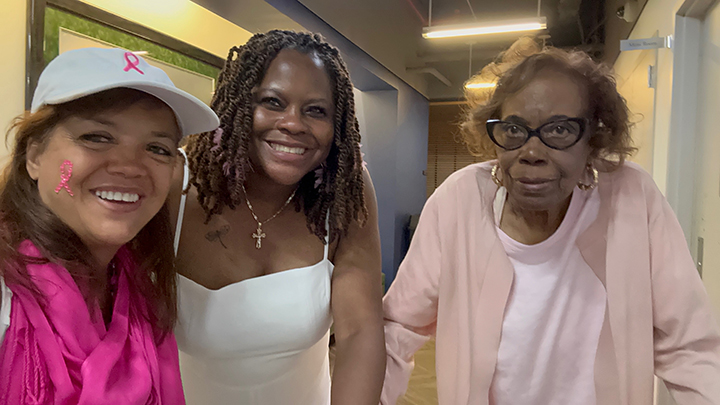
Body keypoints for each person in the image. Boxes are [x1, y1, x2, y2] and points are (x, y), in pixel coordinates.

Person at [381, 38, 720, 405]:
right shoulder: (460, 201)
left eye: (559, 130)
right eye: (514, 130)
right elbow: (399, 327)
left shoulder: (632, 197)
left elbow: (690, 348)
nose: (531, 152)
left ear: (593, 137)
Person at [171, 30, 385, 405]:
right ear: (238, 105)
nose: (293, 123)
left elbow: (359, 333)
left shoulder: (344, 193)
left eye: (316, 110)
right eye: (273, 102)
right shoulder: (177, 185)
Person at [0, 47, 219, 403]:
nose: (129, 166)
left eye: (158, 148)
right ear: (35, 155)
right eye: (97, 137)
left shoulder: (140, 292)